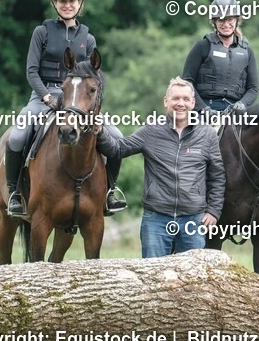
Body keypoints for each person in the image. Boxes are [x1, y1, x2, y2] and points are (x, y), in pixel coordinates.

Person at [5, 0, 126, 218]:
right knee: (18, 136)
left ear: (80, 4)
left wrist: (93, 105)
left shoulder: (88, 38)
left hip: (79, 100)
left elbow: (96, 77)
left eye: (71, 1)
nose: (67, 5)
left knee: (117, 137)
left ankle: (110, 191)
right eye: (62, 1)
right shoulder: (42, 32)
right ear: (55, 4)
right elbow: (31, 71)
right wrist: (47, 96)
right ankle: (15, 193)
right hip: (44, 96)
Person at [96, 77, 225, 257]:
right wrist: (100, 131)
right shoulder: (151, 131)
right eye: (176, 98)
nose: (180, 104)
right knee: (152, 279)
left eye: (186, 99)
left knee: (192, 280)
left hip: (193, 221)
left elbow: (217, 176)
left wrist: (214, 211)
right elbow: (118, 149)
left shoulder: (207, 134)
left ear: (193, 103)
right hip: (156, 219)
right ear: (166, 101)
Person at [182, 0, 259, 115]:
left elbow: (253, 88)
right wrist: (203, 108)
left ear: (237, 21)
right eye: (221, 20)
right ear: (214, 22)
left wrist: (242, 103)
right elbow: (187, 81)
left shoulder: (247, 51)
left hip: (235, 111)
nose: (226, 24)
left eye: (230, 20)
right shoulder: (203, 46)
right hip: (205, 109)